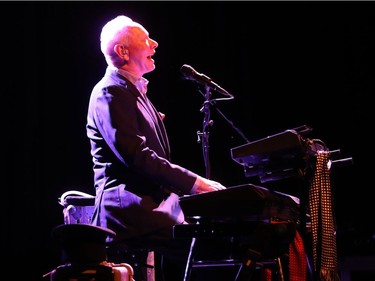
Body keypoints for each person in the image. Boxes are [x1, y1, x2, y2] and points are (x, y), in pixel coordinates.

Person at [86, 15, 227, 281]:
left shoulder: (132, 92)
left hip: (153, 206)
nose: (155, 44)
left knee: (218, 237)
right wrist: (195, 183)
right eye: (146, 39)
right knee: (210, 248)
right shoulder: (110, 92)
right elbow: (137, 157)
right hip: (129, 211)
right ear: (122, 50)